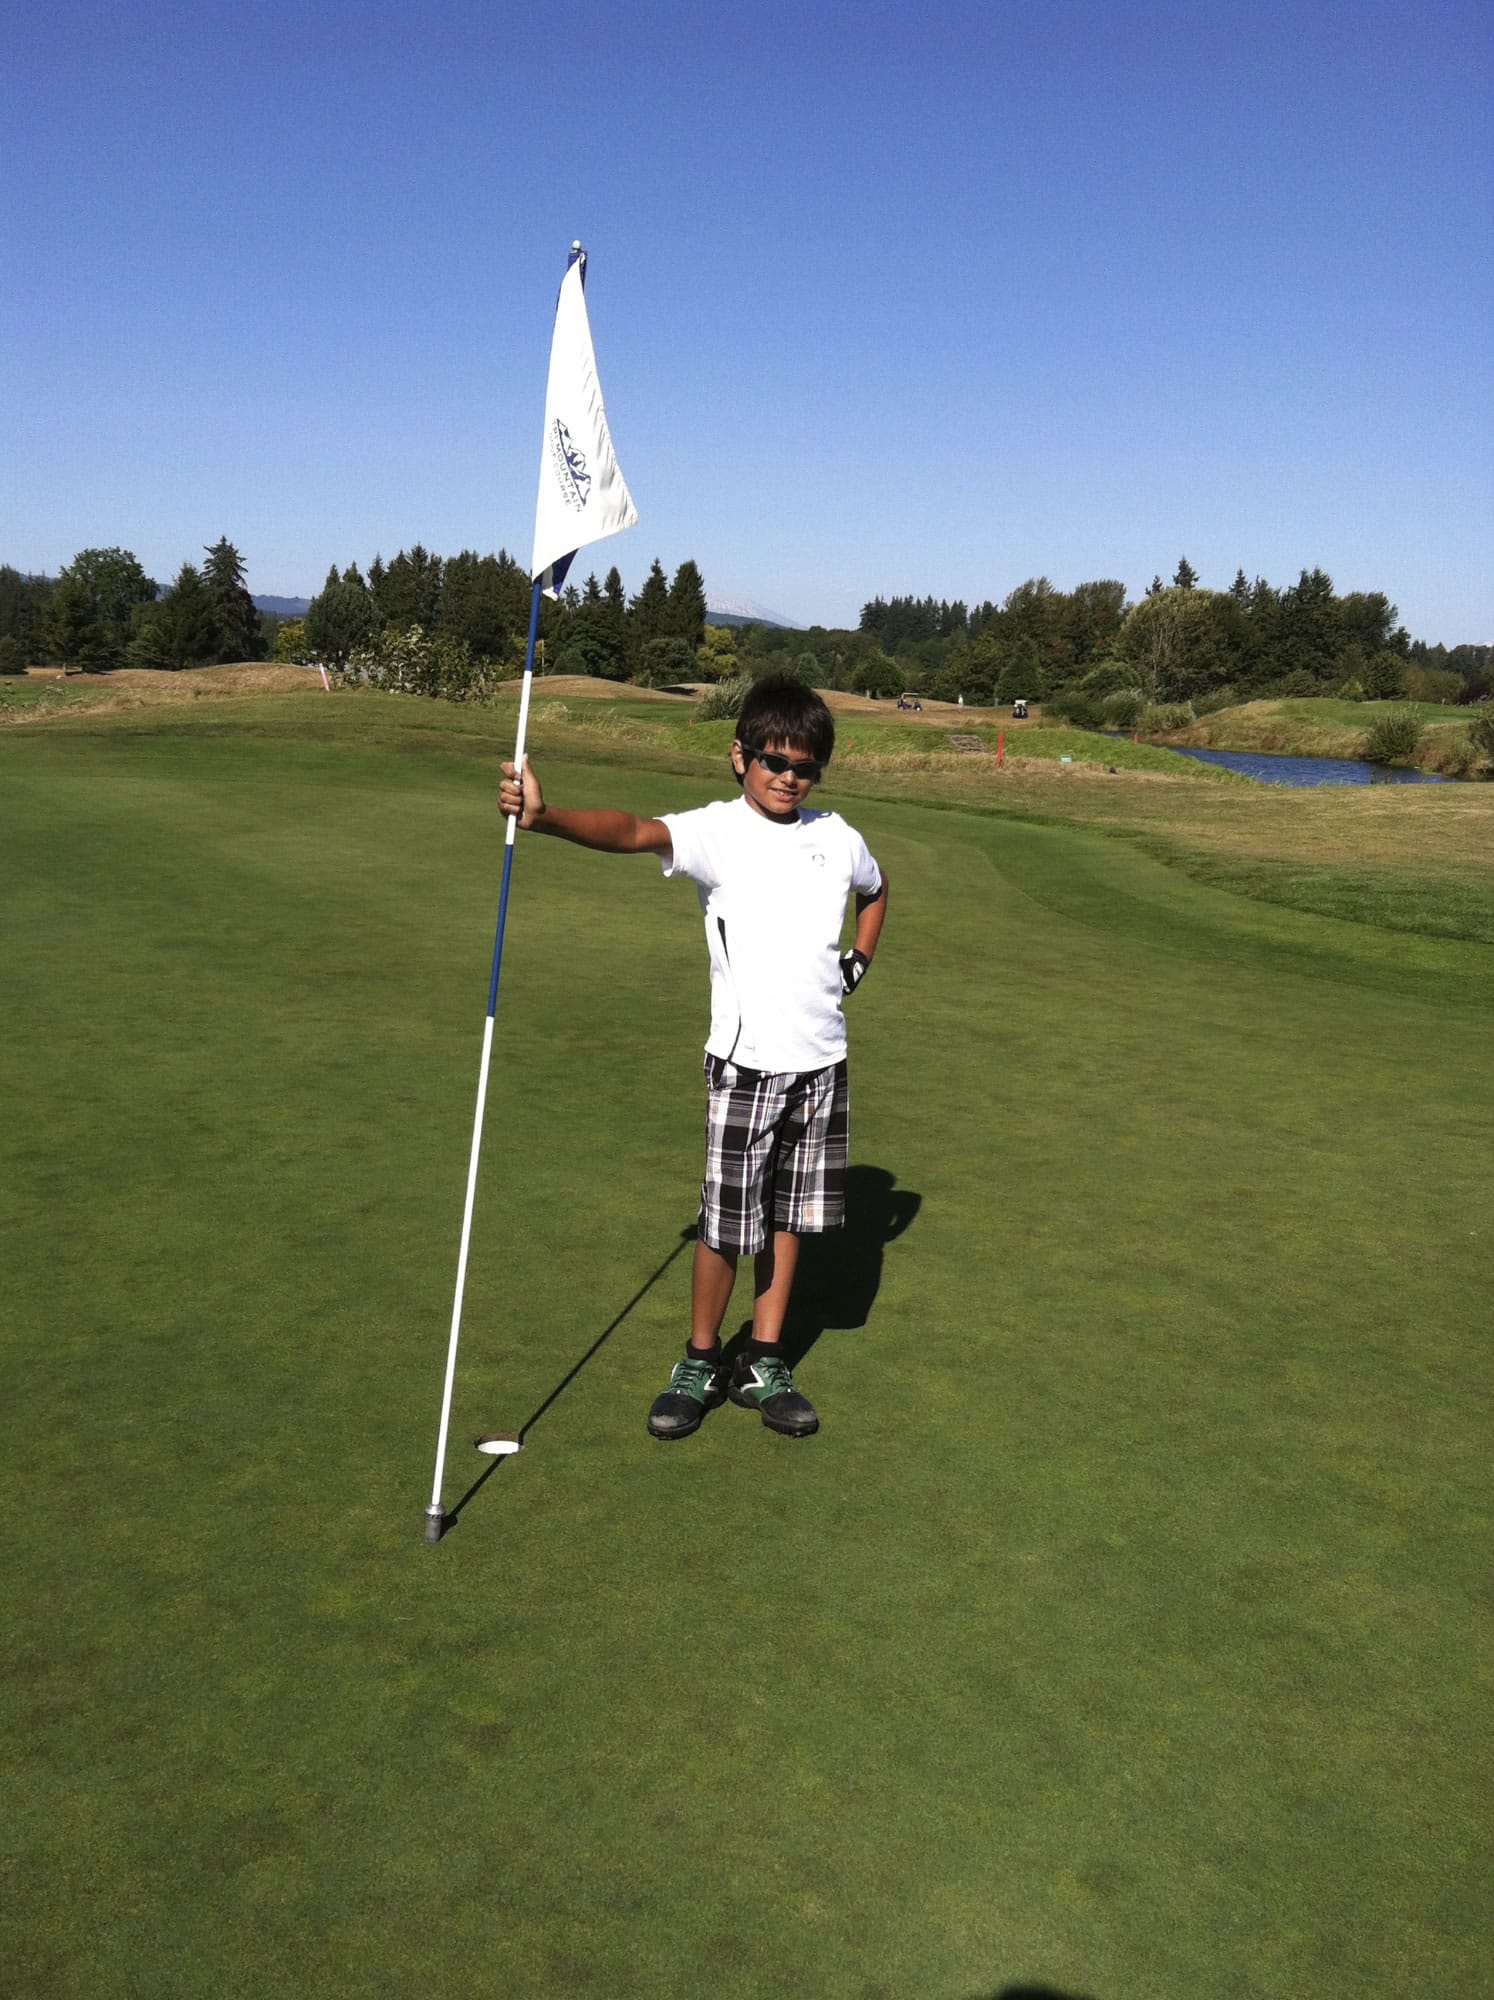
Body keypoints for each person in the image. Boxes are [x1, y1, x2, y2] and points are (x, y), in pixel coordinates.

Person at [497, 674, 888, 1441]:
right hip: (745, 1066)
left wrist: (858, 963)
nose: (788, 778)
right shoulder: (718, 831)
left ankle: (763, 1359)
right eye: (774, 761)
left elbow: (875, 893)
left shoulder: (838, 837)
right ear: (738, 757)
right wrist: (544, 820)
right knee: (724, 1224)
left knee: (790, 1219)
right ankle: (701, 1359)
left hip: (820, 1065)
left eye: (805, 767)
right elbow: (634, 830)